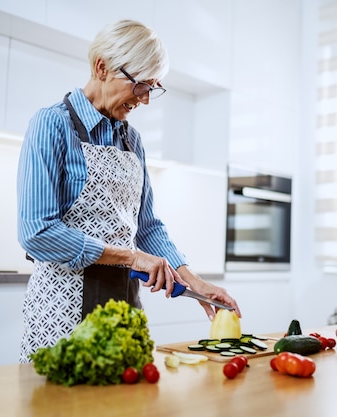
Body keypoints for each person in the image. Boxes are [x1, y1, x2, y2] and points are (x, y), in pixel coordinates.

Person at [16, 19, 240, 363]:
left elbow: (147, 227)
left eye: (154, 87)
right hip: (63, 308)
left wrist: (196, 285)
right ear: (101, 67)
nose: (146, 100)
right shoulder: (52, 125)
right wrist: (131, 257)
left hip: (123, 307)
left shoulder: (132, 140)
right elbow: (37, 232)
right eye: (140, 86)